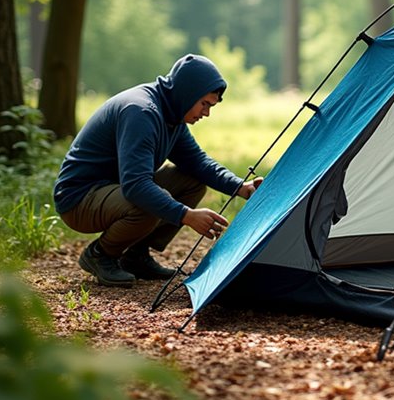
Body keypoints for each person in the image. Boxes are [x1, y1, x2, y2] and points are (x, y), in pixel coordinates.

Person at [53, 54, 262, 287]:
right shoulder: (141, 112)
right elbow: (136, 186)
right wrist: (186, 215)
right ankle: (100, 255)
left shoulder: (172, 113)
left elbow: (197, 163)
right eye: (204, 104)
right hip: (79, 198)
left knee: (191, 181)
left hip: (113, 189)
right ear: (188, 93)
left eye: (210, 106)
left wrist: (240, 187)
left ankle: (135, 255)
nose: (206, 113)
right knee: (146, 202)